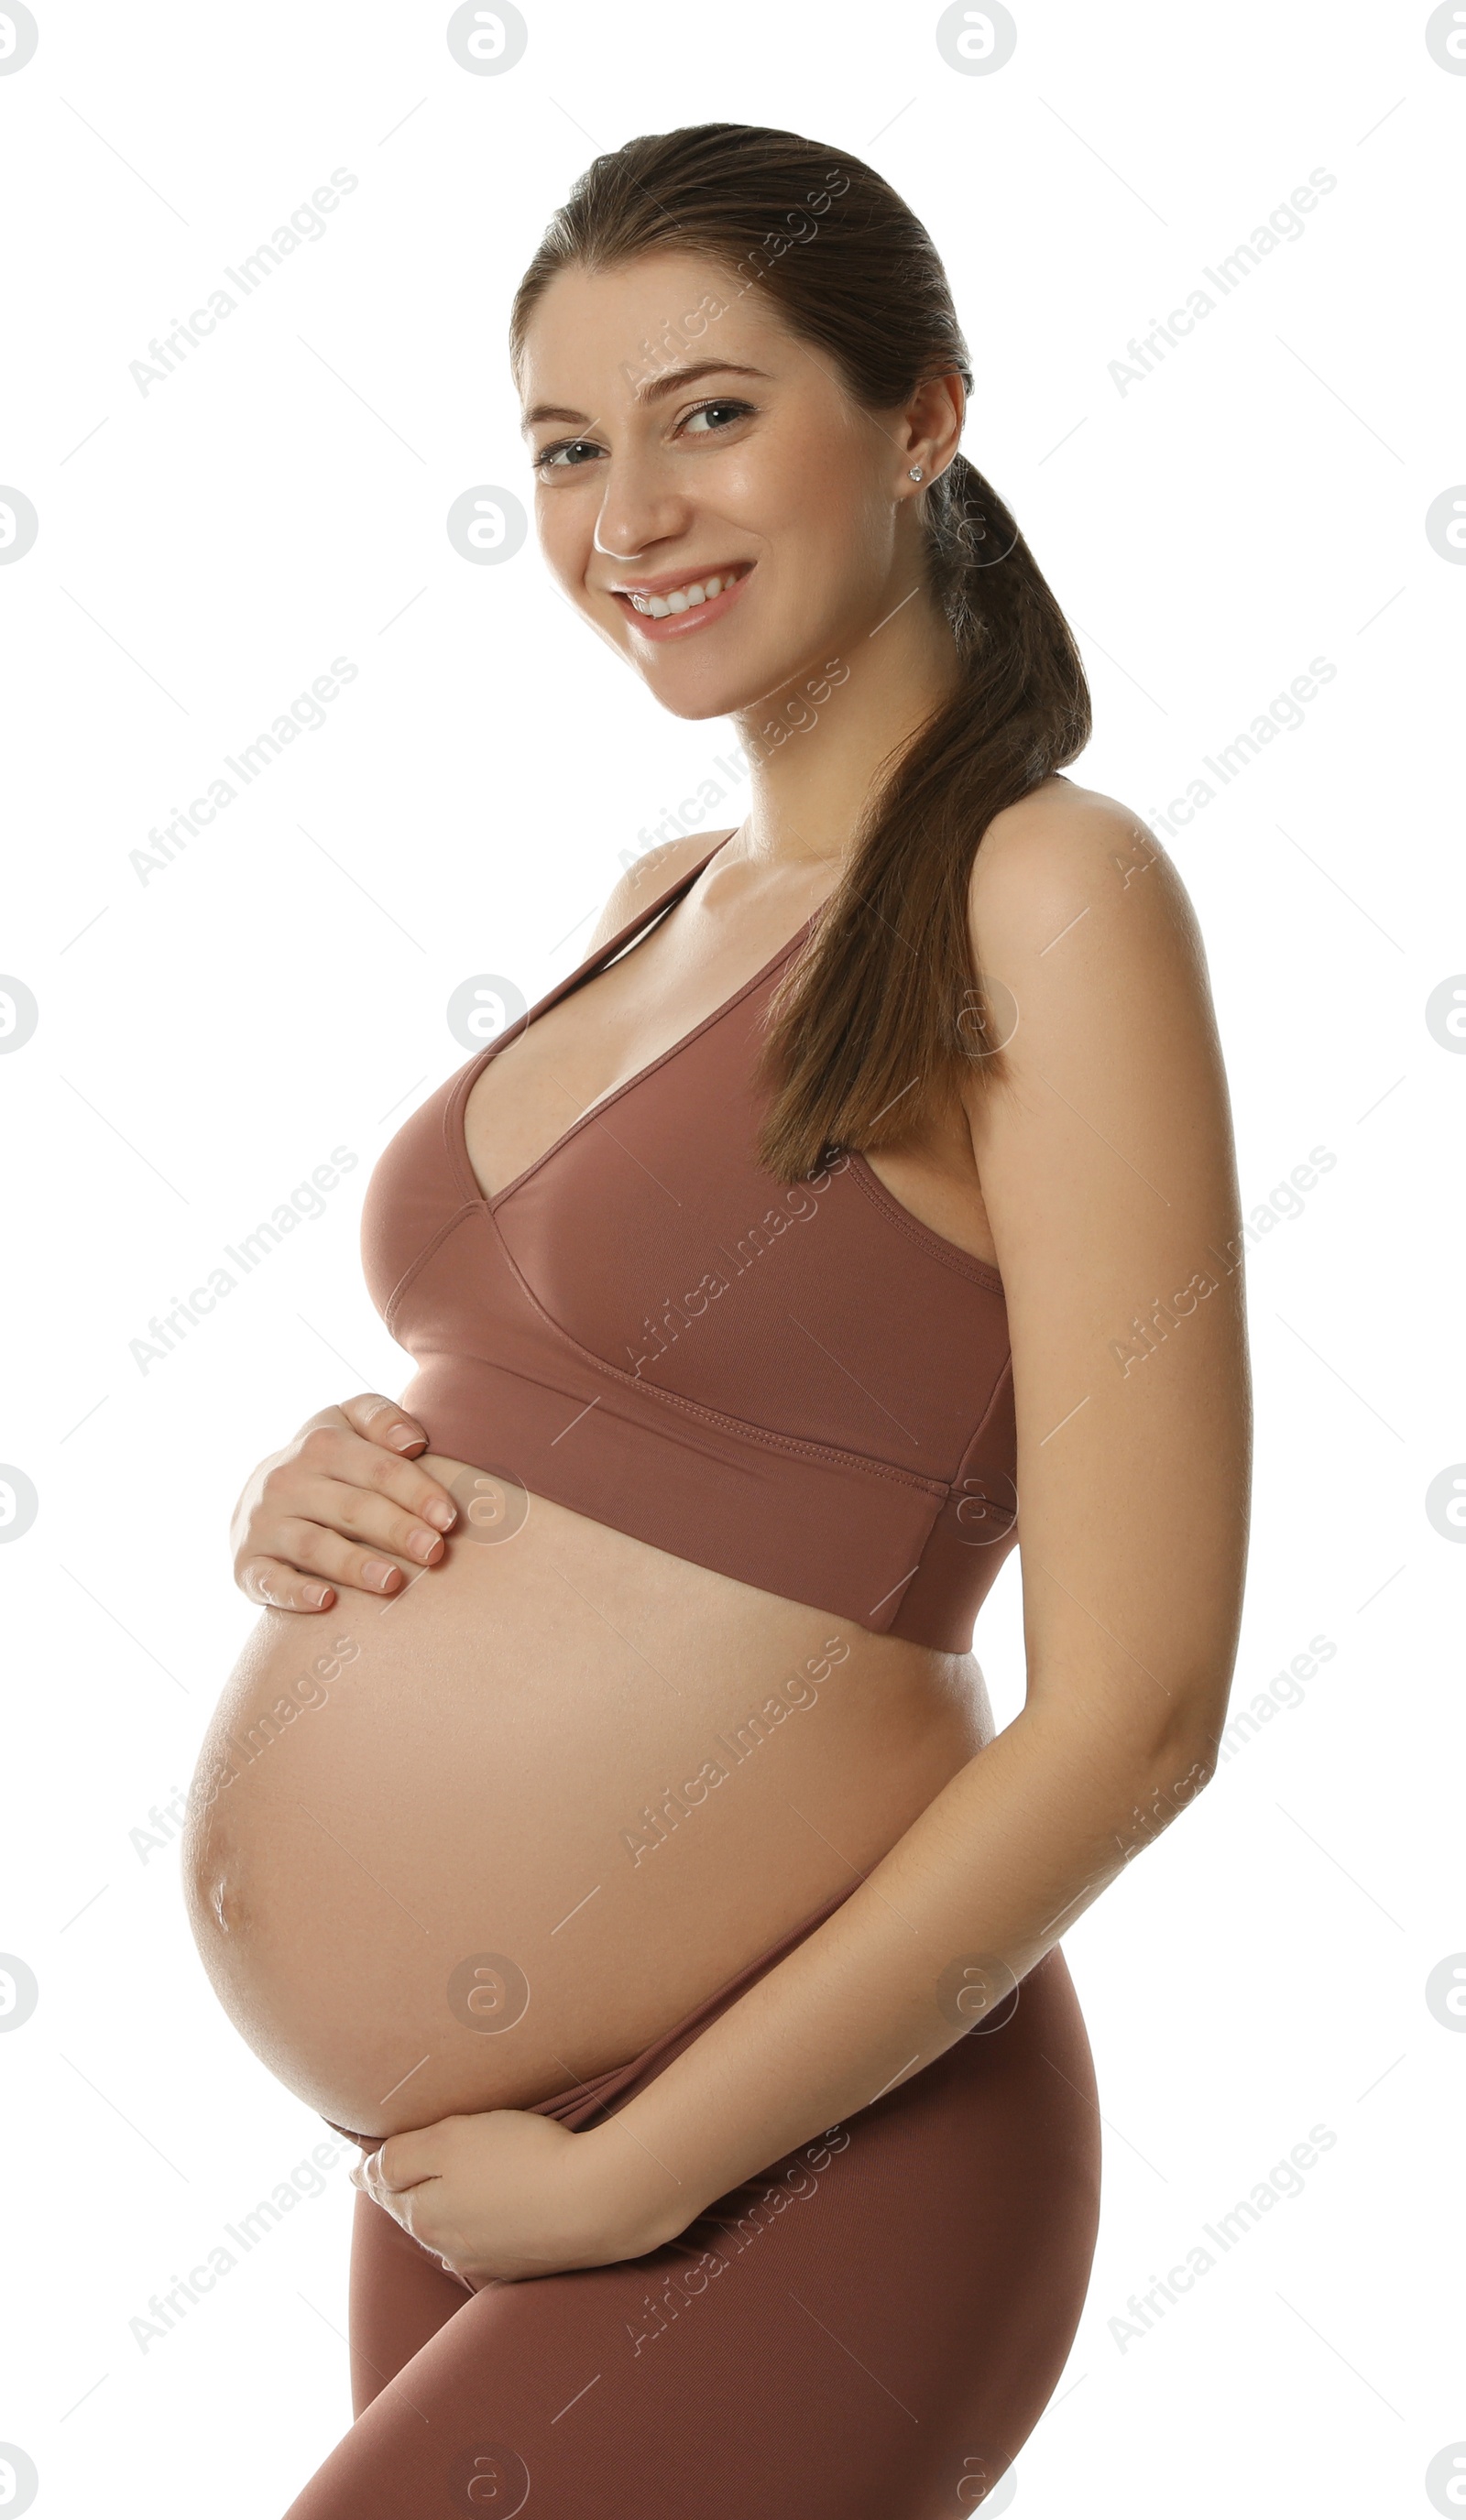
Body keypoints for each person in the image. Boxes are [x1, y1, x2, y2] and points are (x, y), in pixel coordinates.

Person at [201, 122, 1251, 2519]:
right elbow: (582, 1417)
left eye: (708, 414)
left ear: (920, 418)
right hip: (486, 2146)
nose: (629, 516)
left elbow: (1140, 1718)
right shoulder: (665, 889)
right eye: (567, 449)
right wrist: (330, 1495)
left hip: (792, 2146)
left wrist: (641, 2177)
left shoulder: (1046, 892)